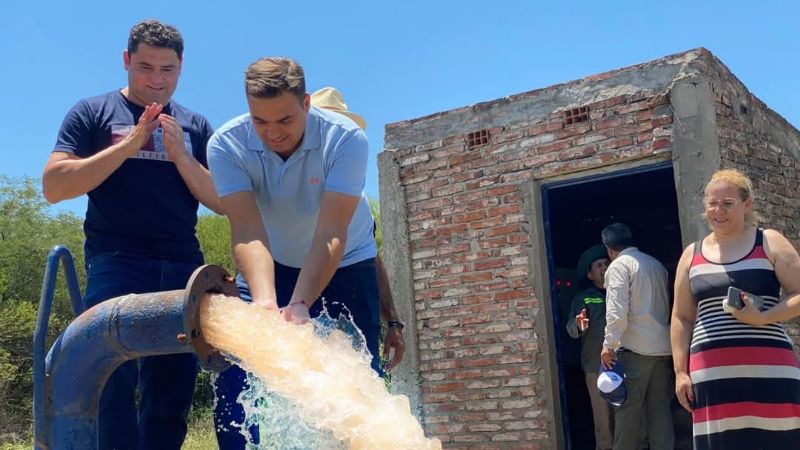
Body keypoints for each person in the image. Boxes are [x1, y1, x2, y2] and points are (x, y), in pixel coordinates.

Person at [41, 19, 221, 450]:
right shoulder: (92, 112)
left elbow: (223, 201)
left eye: (167, 70)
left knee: (172, 391)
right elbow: (54, 186)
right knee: (108, 381)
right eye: (145, 67)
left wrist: (181, 156)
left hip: (183, 264)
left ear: (181, 69)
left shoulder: (195, 125)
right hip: (116, 260)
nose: (156, 80)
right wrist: (130, 143)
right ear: (125, 61)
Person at [207, 58, 383, 449]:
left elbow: (331, 231)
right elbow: (248, 230)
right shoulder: (226, 144)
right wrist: (267, 305)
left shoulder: (346, 139)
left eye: (284, 120)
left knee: (359, 377)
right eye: (260, 121)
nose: (272, 134)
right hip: (272, 262)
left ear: (306, 104)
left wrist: (301, 302)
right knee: (234, 371)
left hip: (346, 261)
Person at [670, 168, 800, 450]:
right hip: (712, 377)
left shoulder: (768, 241)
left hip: (771, 371)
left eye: (728, 203)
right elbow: (681, 317)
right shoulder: (691, 255)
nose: (718, 211)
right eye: (712, 203)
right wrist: (680, 372)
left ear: (747, 204)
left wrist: (763, 317)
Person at [310, 87, 405, 371]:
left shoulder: (358, 197)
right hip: (307, 292)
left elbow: (371, 257)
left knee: (365, 381)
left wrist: (394, 321)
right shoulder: (292, 192)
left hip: (356, 292)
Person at [599, 223, 674, 450]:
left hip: (634, 352)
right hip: (662, 349)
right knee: (660, 413)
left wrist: (608, 345)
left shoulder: (619, 266)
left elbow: (616, 311)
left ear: (609, 249)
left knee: (628, 414)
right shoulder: (656, 265)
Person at [566, 245, 612, 450]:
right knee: (603, 421)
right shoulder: (583, 298)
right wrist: (578, 325)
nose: (604, 268)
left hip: (624, 363)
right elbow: (571, 328)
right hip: (596, 367)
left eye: (606, 263)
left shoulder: (621, 289)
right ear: (589, 274)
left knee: (629, 418)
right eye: (598, 265)